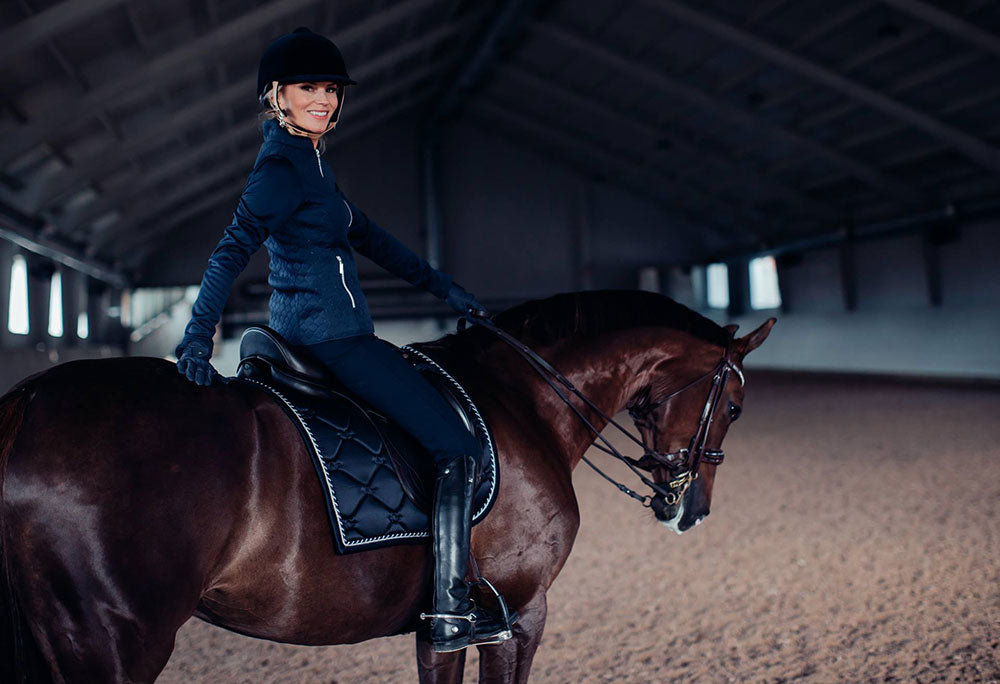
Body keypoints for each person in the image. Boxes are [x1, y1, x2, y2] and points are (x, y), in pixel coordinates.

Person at [173, 26, 511, 653]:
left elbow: (375, 239)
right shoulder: (280, 170)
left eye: (330, 89)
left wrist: (447, 290)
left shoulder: (314, 165)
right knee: (456, 446)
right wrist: (196, 339)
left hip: (330, 331)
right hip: (333, 340)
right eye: (309, 88)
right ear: (276, 96)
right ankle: (449, 603)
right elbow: (230, 251)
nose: (324, 99)